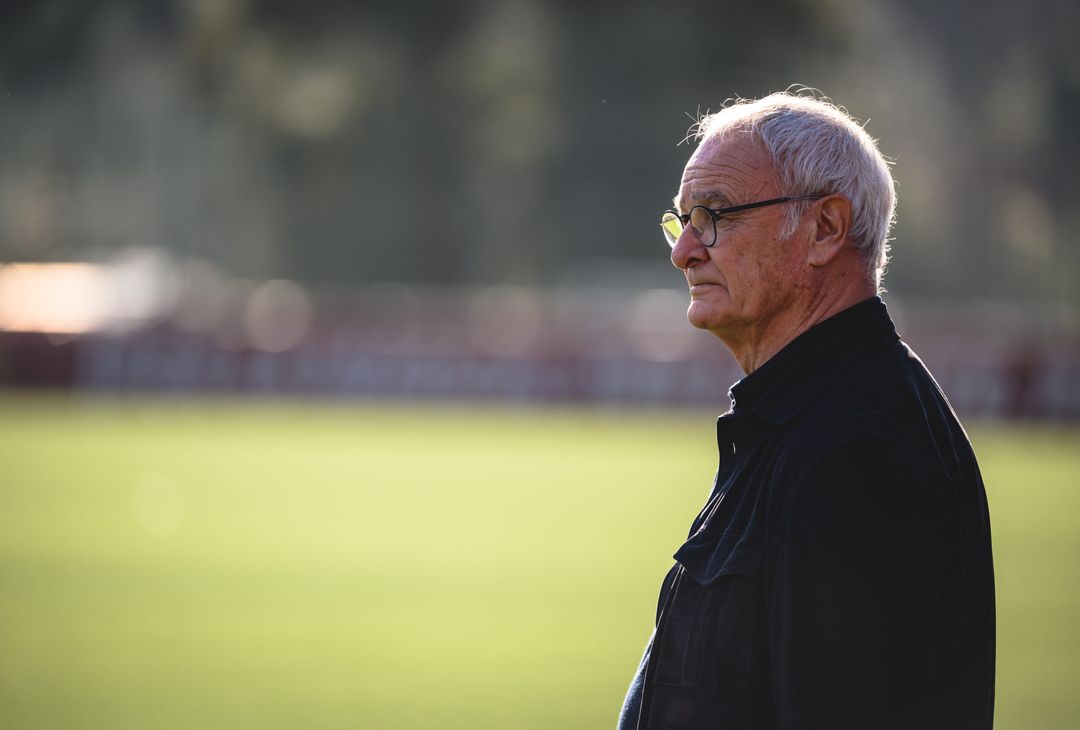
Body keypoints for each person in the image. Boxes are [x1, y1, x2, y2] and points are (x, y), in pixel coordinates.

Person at [617, 92, 995, 730]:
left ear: (825, 228)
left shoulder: (860, 448)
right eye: (680, 221)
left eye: (714, 216)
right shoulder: (801, 419)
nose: (683, 252)